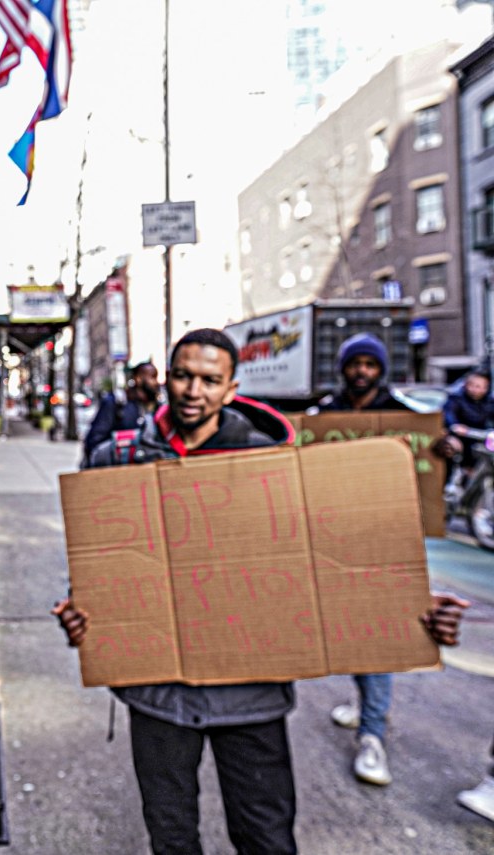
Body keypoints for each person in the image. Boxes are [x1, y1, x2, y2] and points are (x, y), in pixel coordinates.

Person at [52, 328, 467, 854]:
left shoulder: (276, 462)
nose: (192, 390)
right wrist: (82, 614)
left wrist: (416, 614)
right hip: (157, 695)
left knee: (266, 838)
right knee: (171, 836)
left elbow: (346, 562)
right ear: (167, 379)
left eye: (209, 380)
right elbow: (97, 564)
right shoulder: (117, 460)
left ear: (231, 388)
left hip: (250, 695)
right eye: (182, 375)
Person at [311, 332, 411, 787]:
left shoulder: (405, 418)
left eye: (371, 364)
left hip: (386, 545)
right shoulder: (323, 415)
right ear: (344, 368)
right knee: (349, 633)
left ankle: (373, 735)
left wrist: (445, 451)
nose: (362, 371)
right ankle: (362, 704)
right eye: (356, 363)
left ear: (381, 369)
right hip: (334, 543)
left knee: (375, 638)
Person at [80, 361, 160, 468]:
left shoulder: (157, 408)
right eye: (152, 377)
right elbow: (94, 442)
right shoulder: (116, 403)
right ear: (138, 379)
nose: (156, 383)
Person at [441, 370, 494, 475]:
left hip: (480, 436)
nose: (475, 389)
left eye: (479, 386)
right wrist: (455, 426)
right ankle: (455, 478)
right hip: (460, 436)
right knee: (452, 448)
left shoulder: (489, 401)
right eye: (472, 385)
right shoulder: (455, 398)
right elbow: (449, 415)